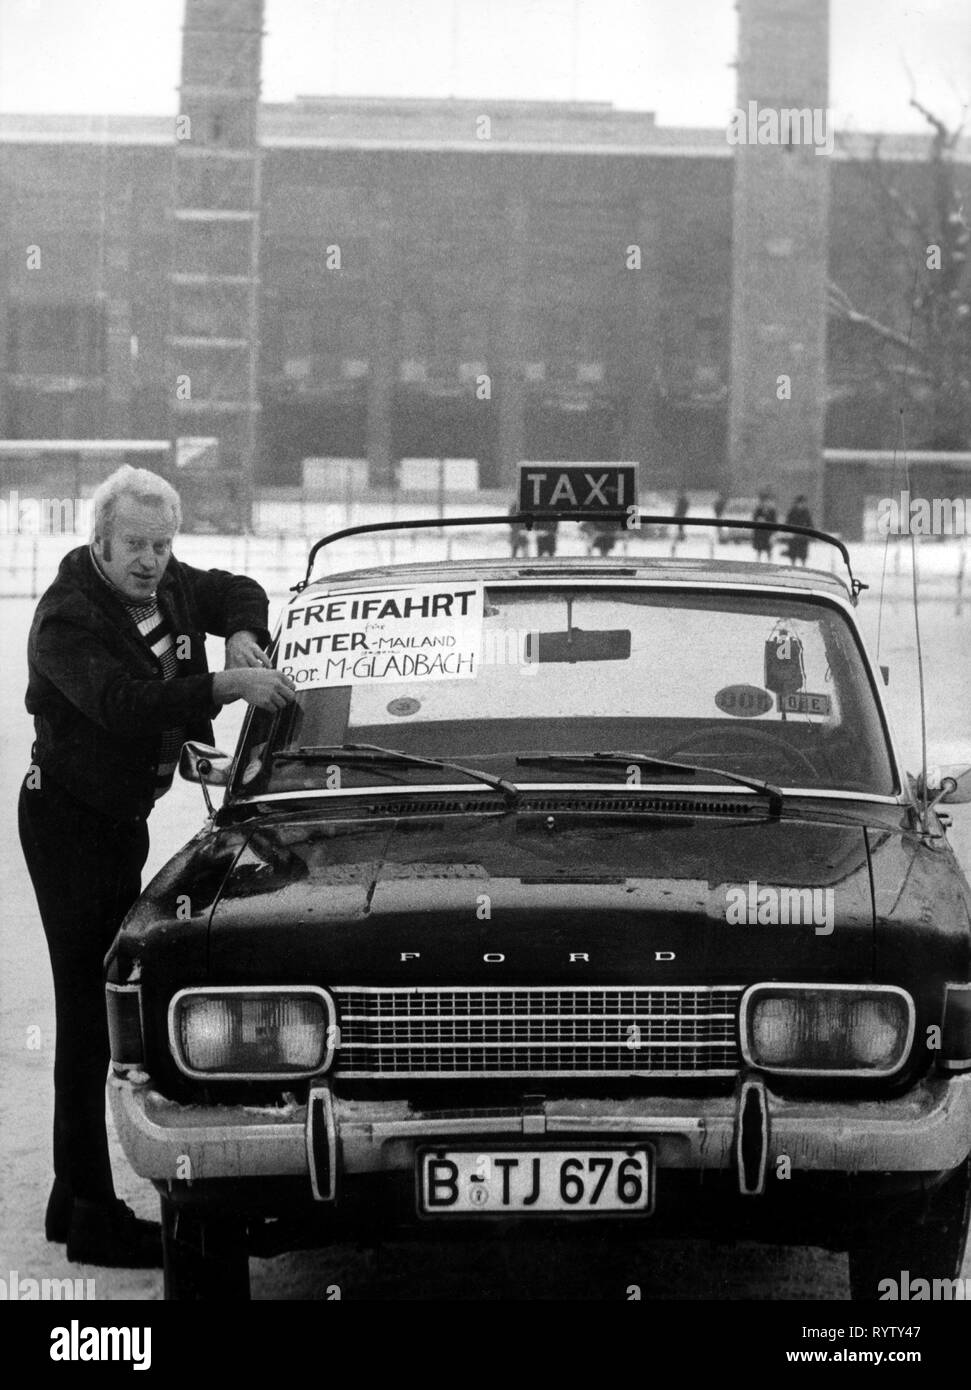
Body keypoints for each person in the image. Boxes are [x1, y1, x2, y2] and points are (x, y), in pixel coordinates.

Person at [17, 466, 296, 1267]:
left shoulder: (168, 585)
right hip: (69, 826)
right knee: (88, 1013)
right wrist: (225, 684)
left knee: (89, 1009)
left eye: (162, 544)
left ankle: (73, 1201)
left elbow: (238, 585)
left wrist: (243, 629)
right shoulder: (67, 620)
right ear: (99, 540)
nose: (150, 560)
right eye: (135, 544)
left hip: (116, 820)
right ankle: (93, 1214)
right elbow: (125, 703)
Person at [784, 494, 813, 565]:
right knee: (793, 554)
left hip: (803, 537)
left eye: (803, 503)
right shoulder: (792, 512)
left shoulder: (806, 512)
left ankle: (803, 566)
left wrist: (810, 530)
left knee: (803, 555)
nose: (802, 505)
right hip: (793, 537)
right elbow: (787, 523)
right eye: (801, 503)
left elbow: (810, 523)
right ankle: (793, 566)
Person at [752, 490, 777, 561]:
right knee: (759, 551)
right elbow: (754, 520)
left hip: (768, 534)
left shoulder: (772, 511)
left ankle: (769, 563)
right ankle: (758, 563)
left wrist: (773, 534)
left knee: (769, 551)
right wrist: (758, 520)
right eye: (763, 501)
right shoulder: (758, 510)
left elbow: (775, 523)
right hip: (759, 534)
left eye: (766, 501)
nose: (765, 503)